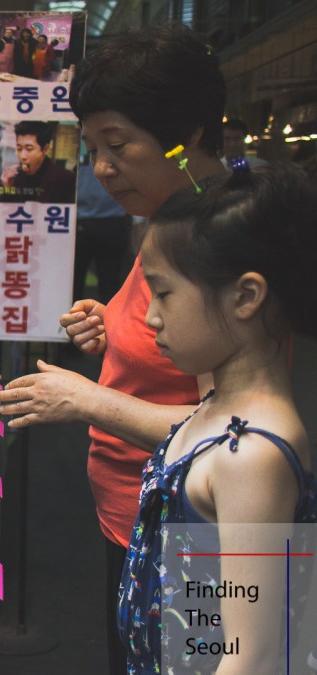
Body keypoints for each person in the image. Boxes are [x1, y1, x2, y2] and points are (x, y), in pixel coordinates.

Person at [0, 26, 228, 675]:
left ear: (189, 130)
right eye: (93, 148)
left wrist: (88, 397)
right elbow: (167, 340)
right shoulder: (170, 218)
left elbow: (242, 436)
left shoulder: (224, 241)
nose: (102, 169)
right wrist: (114, 320)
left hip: (195, 533)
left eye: (118, 145)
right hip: (137, 519)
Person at [120, 163, 317, 673]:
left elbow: (247, 656)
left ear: (245, 296)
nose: (150, 316)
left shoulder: (251, 456)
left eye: (163, 293)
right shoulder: (217, 403)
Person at [73, 162, 132, 302]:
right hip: (77, 221)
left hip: (112, 221)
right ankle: (68, 321)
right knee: (72, 283)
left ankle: (110, 323)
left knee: (110, 284)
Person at [0, 120, 76, 203]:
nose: (23, 156)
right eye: (19, 148)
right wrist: (6, 189)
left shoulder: (65, 180)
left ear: (45, 149)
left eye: (29, 149)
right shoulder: (14, 179)